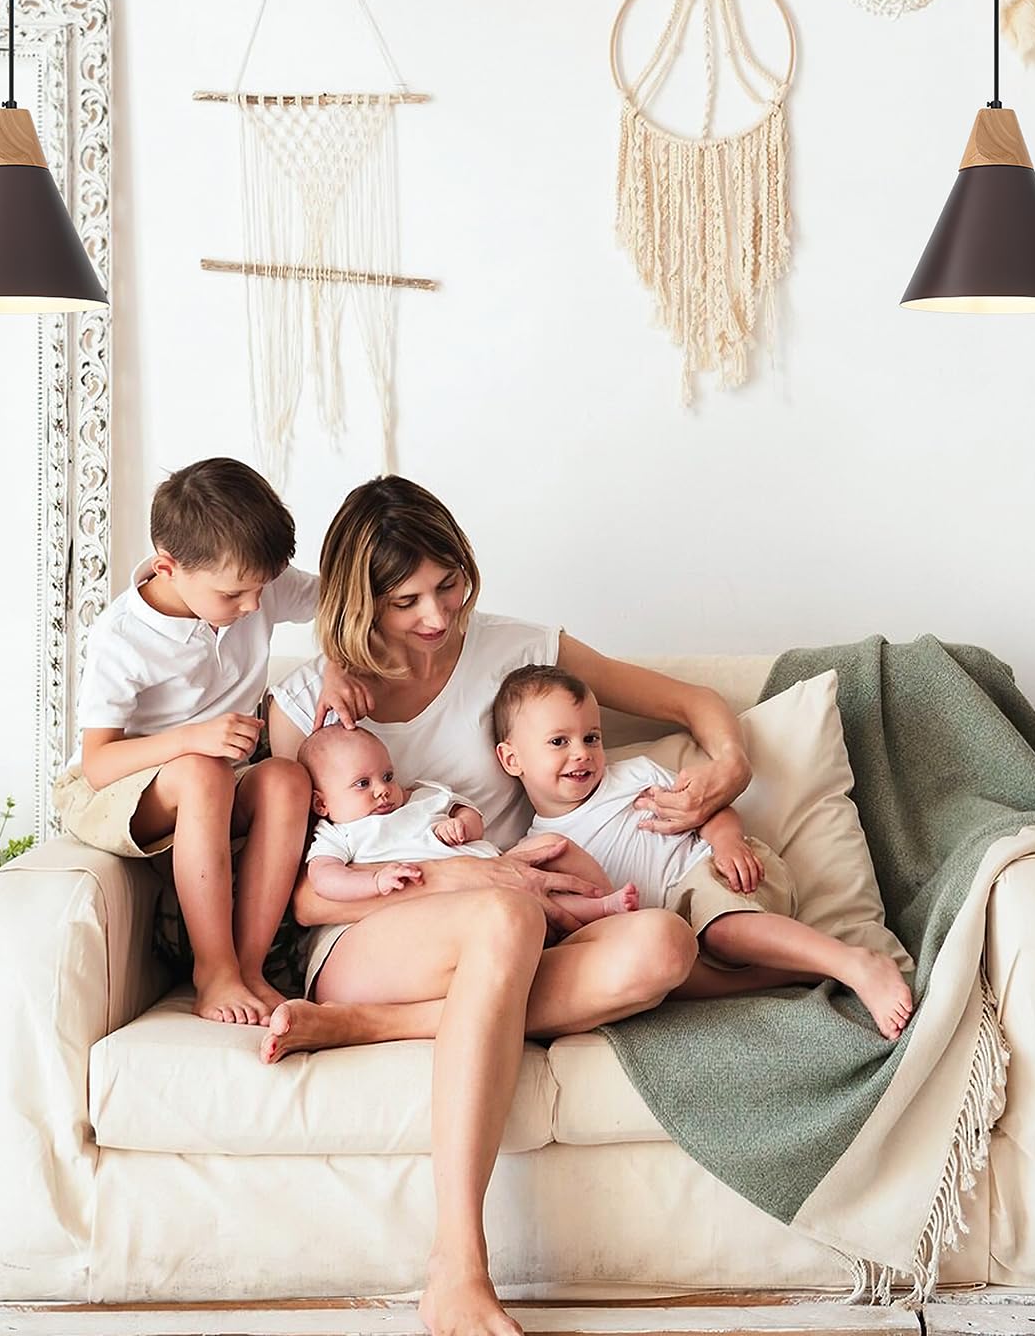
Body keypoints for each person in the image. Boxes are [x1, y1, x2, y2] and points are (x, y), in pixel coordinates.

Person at [262, 474, 774, 1336]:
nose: (437, 616)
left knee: (662, 945)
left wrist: (730, 768)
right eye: (405, 601)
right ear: (358, 600)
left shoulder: (519, 648)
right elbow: (305, 899)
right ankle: (457, 1264)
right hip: (373, 934)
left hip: (516, 928)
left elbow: (691, 704)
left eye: (449, 585)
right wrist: (477, 881)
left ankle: (370, 1028)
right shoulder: (313, 701)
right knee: (508, 915)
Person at [53, 457, 357, 1026]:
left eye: (261, 589)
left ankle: (249, 967)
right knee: (202, 770)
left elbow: (342, 603)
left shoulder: (252, 584)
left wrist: (337, 665)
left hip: (220, 776)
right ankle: (213, 971)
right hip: (121, 790)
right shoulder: (123, 637)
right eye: (234, 594)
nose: (253, 606)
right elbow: (98, 764)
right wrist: (193, 739)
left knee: (287, 778)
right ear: (168, 567)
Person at [493, 664, 914, 1040]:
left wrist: (727, 842)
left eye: (591, 737)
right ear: (512, 759)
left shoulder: (633, 778)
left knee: (722, 932)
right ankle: (787, 972)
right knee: (668, 975)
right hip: (674, 932)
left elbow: (712, 810)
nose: (581, 753)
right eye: (559, 741)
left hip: (717, 871)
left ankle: (853, 963)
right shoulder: (535, 852)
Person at [298, 722, 639, 924]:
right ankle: (595, 911)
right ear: (322, 803)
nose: (382, 790)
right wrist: (375, 881)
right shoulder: (339, 833)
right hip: (444, 905)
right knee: (521, 903)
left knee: (553, 847)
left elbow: (472, 816)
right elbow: (325, 879)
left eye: (387, 776)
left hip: (499, 866)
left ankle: (601, 901)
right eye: (362, 784)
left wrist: (462, 824)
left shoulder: (421, 797)